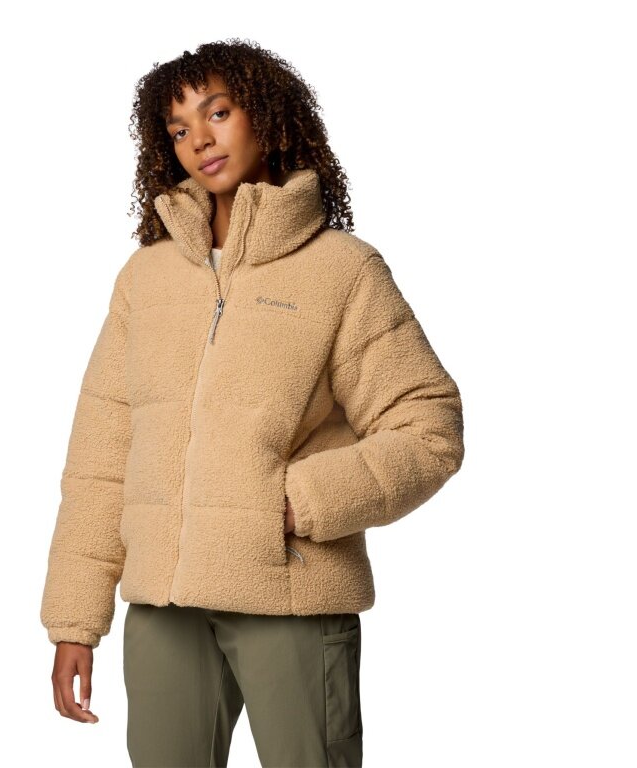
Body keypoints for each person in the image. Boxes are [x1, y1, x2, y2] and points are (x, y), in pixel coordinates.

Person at [40, 39, 464, 767]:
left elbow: (429, 427)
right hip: (164, 606)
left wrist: (294, 503)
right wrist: (74, 619)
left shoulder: (342, 270)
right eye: (178, 128)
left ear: (267, 116)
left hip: (289, 594)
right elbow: (102, 457)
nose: (199, 140)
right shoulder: (146, 278)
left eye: (218, 113)